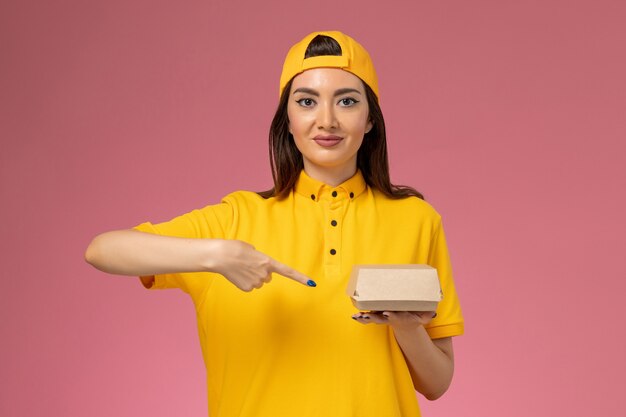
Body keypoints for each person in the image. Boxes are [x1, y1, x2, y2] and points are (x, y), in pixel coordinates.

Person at [85, 30, 464, 417]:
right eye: (307, 102)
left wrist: (405, 327)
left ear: (370, 120)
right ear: (288, 118)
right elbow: (101, 250)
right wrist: (216, 254)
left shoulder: (417, 220)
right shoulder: (236, 218)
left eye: (347, 101)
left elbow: (437, 383)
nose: (327, 120)